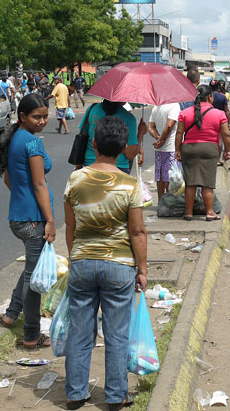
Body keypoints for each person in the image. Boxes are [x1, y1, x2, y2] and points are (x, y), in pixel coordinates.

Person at [63, 115, 147, 411]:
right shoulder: (129, 185)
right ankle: (115, 396)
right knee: (116, 333)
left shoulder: (76, 179)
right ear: (125, 147)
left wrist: (76, 256)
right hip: (119, 266)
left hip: (82, 262)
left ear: (94, 144)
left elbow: (69, 226)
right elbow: (137, 231)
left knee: (80, 330)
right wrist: (143, 270)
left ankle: (75, 393)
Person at [0, 93, 55, 349]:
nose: (42, 121)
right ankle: (31, 335)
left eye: (44, 116)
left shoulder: (15, 138)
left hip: (19, 216)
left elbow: (9, 178)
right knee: (33, 278)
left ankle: (10, 314)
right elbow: (39, 184)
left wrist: (21, 196)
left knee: (31, 269)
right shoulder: (31, 143)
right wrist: (50, 220)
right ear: (22, 117)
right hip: (33, 220)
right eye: (36, 117)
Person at [175, 85, 230, 221]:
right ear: (210, 97)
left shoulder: (185, 113)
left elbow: (179, 133)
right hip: (209, 149)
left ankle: (188, 213)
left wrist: (177, 150)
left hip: (188, 149)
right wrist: (227, 151)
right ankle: (210, 212)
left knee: (190, 182)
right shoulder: (219, 114)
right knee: (207, 183)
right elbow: (226, 135)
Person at [77, 99, 138, 174]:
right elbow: (130, 154)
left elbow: (82, 136)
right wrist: (141, 133)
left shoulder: (92, 109)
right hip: (118, 168)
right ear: (123, 148)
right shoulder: (129, 118)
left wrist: (78, 167)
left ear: (94, 143)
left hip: (90, 164)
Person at [148, 103, 180, 199]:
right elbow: (169, 126)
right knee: (170, 177)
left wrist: (158, 138)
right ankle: (170, 202)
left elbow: (150, 127)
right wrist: (162, 140)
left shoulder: (156, 107)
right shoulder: (174, 106)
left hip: (160, 149)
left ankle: (161, 202)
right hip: (171, 147)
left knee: (160, 177)